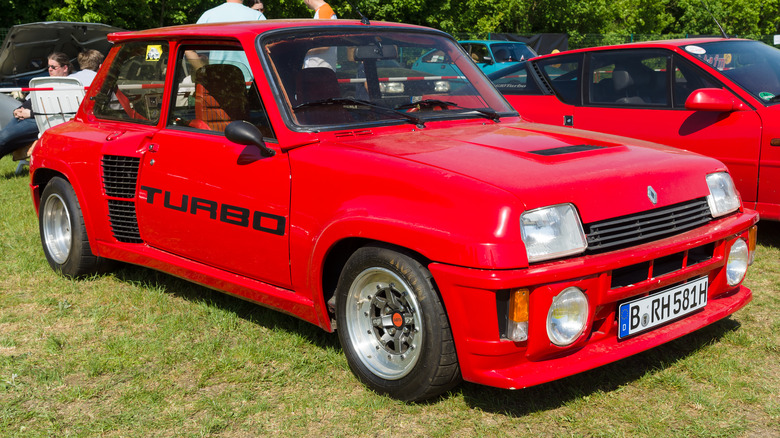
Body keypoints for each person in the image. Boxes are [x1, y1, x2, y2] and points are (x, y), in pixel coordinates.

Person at [0, 52, 73, 160]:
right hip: (27, 116)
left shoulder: (69, 86)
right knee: (5, 141)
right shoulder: (46, 82)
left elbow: (61, 112)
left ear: (65, 68)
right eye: (48, 67)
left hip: (43, 121)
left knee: (4, 138)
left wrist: (30, 114)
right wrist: (18, 110)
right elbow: (30, 100)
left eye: (53, 67)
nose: (50, 69)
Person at [302, 0, 337, 69]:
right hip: (320, 69)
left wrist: (303, 51)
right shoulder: (323, 11)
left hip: (318, 71)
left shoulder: (323, 12)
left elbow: (325, 44)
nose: (304, 2)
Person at [197, 0, 266, 23]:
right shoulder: (257, 16)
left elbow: (189, 48)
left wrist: (196, 57)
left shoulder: (208, 15)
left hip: (214, 57)